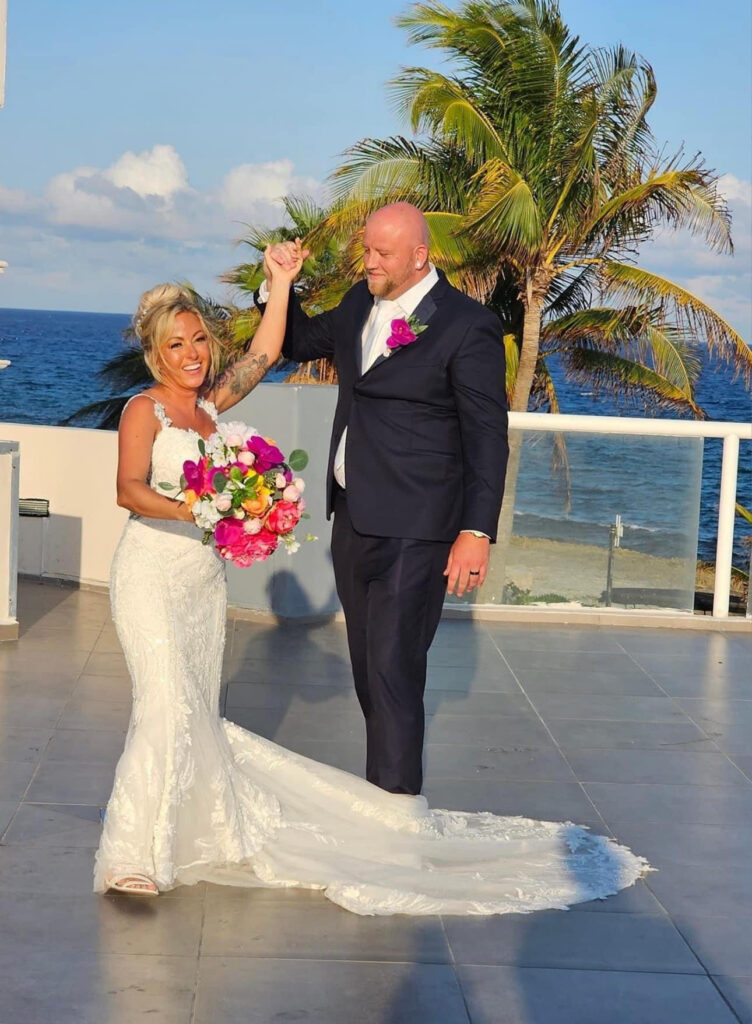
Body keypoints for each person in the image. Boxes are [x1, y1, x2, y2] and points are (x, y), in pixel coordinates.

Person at [95, 240, 647, 913]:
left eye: (200, 340)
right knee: (162, 705)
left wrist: (280, 279)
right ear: (155, 355)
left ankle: (191, 832)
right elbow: (128, 490)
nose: (193, 354)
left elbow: (267, 353)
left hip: (200, 583)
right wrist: (204, 505)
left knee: (194, 709)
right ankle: (130, 854)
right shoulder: (142, 411)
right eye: (177, 345)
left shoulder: (211, 407)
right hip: (150, 574)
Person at [260, 203, 508, 796]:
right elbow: (293, 341)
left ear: (420, 256)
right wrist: (278, 284)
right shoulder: (356, 303)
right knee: (370, 676)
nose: (369, 261)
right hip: (354, 520)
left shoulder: (467, 325)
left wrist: (476, 532)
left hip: (418, 529)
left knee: (394, 675)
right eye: (366, 250)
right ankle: (386, 796)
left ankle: (395, 818)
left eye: (383, 254)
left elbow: (486, 435)